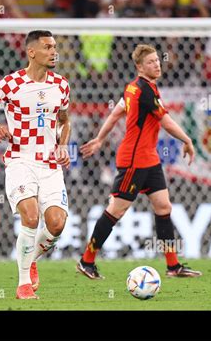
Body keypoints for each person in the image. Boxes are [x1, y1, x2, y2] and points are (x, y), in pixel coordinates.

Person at [77, 44, 202, 280]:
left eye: (157, 60)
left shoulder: (133, 89)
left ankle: (173, 266)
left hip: (149, 159)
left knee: (163, 207)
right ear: (140, 67)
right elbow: (165, 122)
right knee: (116, 210)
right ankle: (87, 261)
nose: (157, 64)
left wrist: (100, 139)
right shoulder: (144, 91)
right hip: (134, 160)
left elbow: (115, 112)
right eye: (151, 62)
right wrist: (187, 139)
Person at [0, 30, 71, 299]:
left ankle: (32, 258)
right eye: (48, 47)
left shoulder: (61, 85)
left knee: (57, 224)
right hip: (20, 159)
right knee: (30, 216)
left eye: (55, 47)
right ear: (32, 52)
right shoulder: (10, 84)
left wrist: (63, 145)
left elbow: (65, 121)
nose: (54, 52)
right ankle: (23, 284)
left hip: (50, 164)